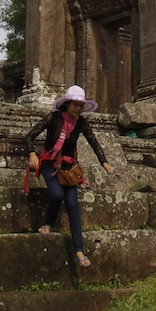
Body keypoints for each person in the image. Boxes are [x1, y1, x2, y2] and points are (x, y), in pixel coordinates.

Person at [25, 85, 114, 267]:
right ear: (66, 104)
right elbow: (29, 136)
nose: (78, 109)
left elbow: (93, 142)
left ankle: (79, 250)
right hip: (50, 163)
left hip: (69, 169)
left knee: (73, 205)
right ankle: (49, 223)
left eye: (81, 106)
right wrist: (32, 154)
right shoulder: (54, 118)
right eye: (75, 105)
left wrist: (104, 162)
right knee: (57, 194)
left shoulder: (81, 123)